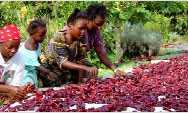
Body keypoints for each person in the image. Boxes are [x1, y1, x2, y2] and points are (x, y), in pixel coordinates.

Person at [63, 3, 126, 77]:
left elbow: (101, 53)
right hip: (64, 61)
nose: (99, 28)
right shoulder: (75, 29)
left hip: (77, 61)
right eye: (97, 24)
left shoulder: (95, 32)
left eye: (101, 25)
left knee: (92, 73)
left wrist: (115, 70)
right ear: (88, 20)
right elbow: (63, 57)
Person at [43, 8, 98, 86]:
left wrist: (79, 81)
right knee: (54, 80)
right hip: (54, 65)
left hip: (71, 64)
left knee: (92, 72)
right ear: (70, 25)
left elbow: (80, 59)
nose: (83, 32)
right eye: (80, 29)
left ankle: (75, 80)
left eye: (85, 29)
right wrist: (85, 68)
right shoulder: (59, 38)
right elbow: (63, 62)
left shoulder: (81, 38)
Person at [0, 25, 35, 105]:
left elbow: (15, 86)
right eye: (10, 47)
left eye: (16, 47)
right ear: (1, 44)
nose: (13, 51)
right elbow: (10, 89)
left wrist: (24, 88)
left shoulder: (20, 58)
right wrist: (9, 89)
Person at [18, 19, 57, 87]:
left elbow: (37, 57)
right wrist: (49, 73)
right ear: (32, 34)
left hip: (31, 68)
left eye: (44, 34)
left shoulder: (38, 43)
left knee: (33, 84)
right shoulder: (30, 46)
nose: (44, 37)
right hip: (24, 70)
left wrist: (42, 66)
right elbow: (36, 65)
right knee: (28, 85)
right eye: (41, 35)